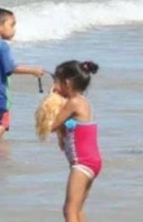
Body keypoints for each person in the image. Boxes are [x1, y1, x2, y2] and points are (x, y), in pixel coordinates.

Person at [49, 60, 102, 221]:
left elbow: (51, 125)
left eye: (55, 81)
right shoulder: (83, 102)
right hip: (92, 162)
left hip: (82, 163)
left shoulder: (73, 103)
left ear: (67, 82)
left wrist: (50, 100)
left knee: (69, 210)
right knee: (77, 209)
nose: (54, 86)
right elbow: (70, 128)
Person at [0, 8, 45, 147]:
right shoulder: (3, 46)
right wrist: (33, 70)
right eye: (12, 25)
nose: (14, 30)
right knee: (2, 122)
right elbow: (10, 68)